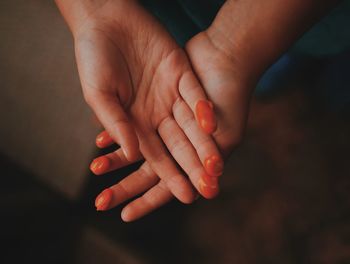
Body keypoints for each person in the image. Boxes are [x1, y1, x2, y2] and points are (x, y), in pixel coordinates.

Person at [55, 0, 342, 222]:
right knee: (262, 76)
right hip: (159, 24)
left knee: (294, 57)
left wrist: (233, 46)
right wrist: (92, 10)